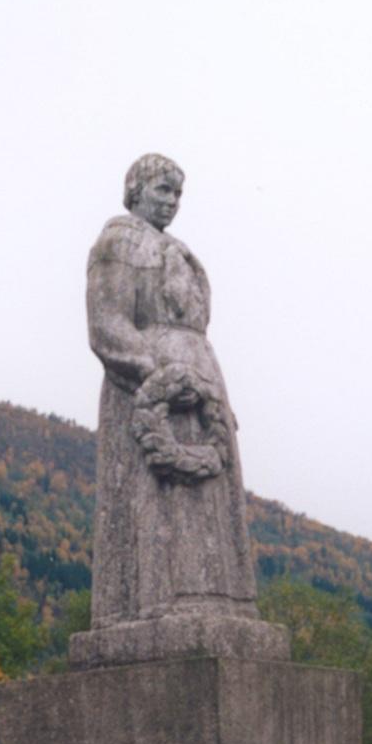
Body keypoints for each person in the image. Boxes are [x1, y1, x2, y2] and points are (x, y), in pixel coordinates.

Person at [85, 154, 260, 629]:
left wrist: (210, 393)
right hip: (152, 384)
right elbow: (107, 324)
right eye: (164, 190)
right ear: (136, 189)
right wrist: (159, 376)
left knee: (210, 506)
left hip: (201, 378)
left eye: (178, 193)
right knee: (161, 498)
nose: (172, 202)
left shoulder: (179, 250)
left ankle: (223, 604)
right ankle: (158, 605)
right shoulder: (117, 243)